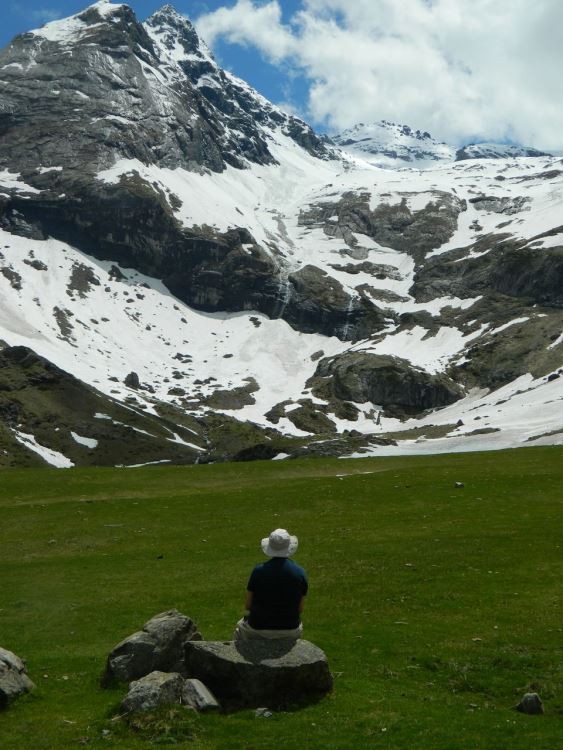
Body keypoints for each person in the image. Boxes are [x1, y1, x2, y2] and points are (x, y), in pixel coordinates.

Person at [234, 528, 308, 642]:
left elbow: (248, 605)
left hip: (257, 628)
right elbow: (300, 609)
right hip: (290, 629)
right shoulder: (300, 573)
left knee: (239, 630)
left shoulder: (258, 571)